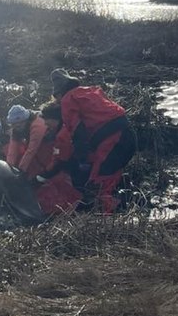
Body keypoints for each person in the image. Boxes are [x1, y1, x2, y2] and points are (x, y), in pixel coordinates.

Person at [40, 68, 137, 213]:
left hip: (112, 139)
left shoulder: (68, 99)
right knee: (110, 175)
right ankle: (129, 201)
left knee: (97, 185)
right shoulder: (89, 91)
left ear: (59, 93)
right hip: (128, 135)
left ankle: (111, 219)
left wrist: (82, 159)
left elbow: (77, 131)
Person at [5, 104, 52, 179]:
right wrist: (8, 170)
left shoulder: (37, 124)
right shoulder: (16, 130)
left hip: (50, 149)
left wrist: (21, 170)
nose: (18, 126)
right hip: (39, 158)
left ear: (26, 120)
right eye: (15, 124)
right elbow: (12, 151)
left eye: (21, 122)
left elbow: (32, 149)